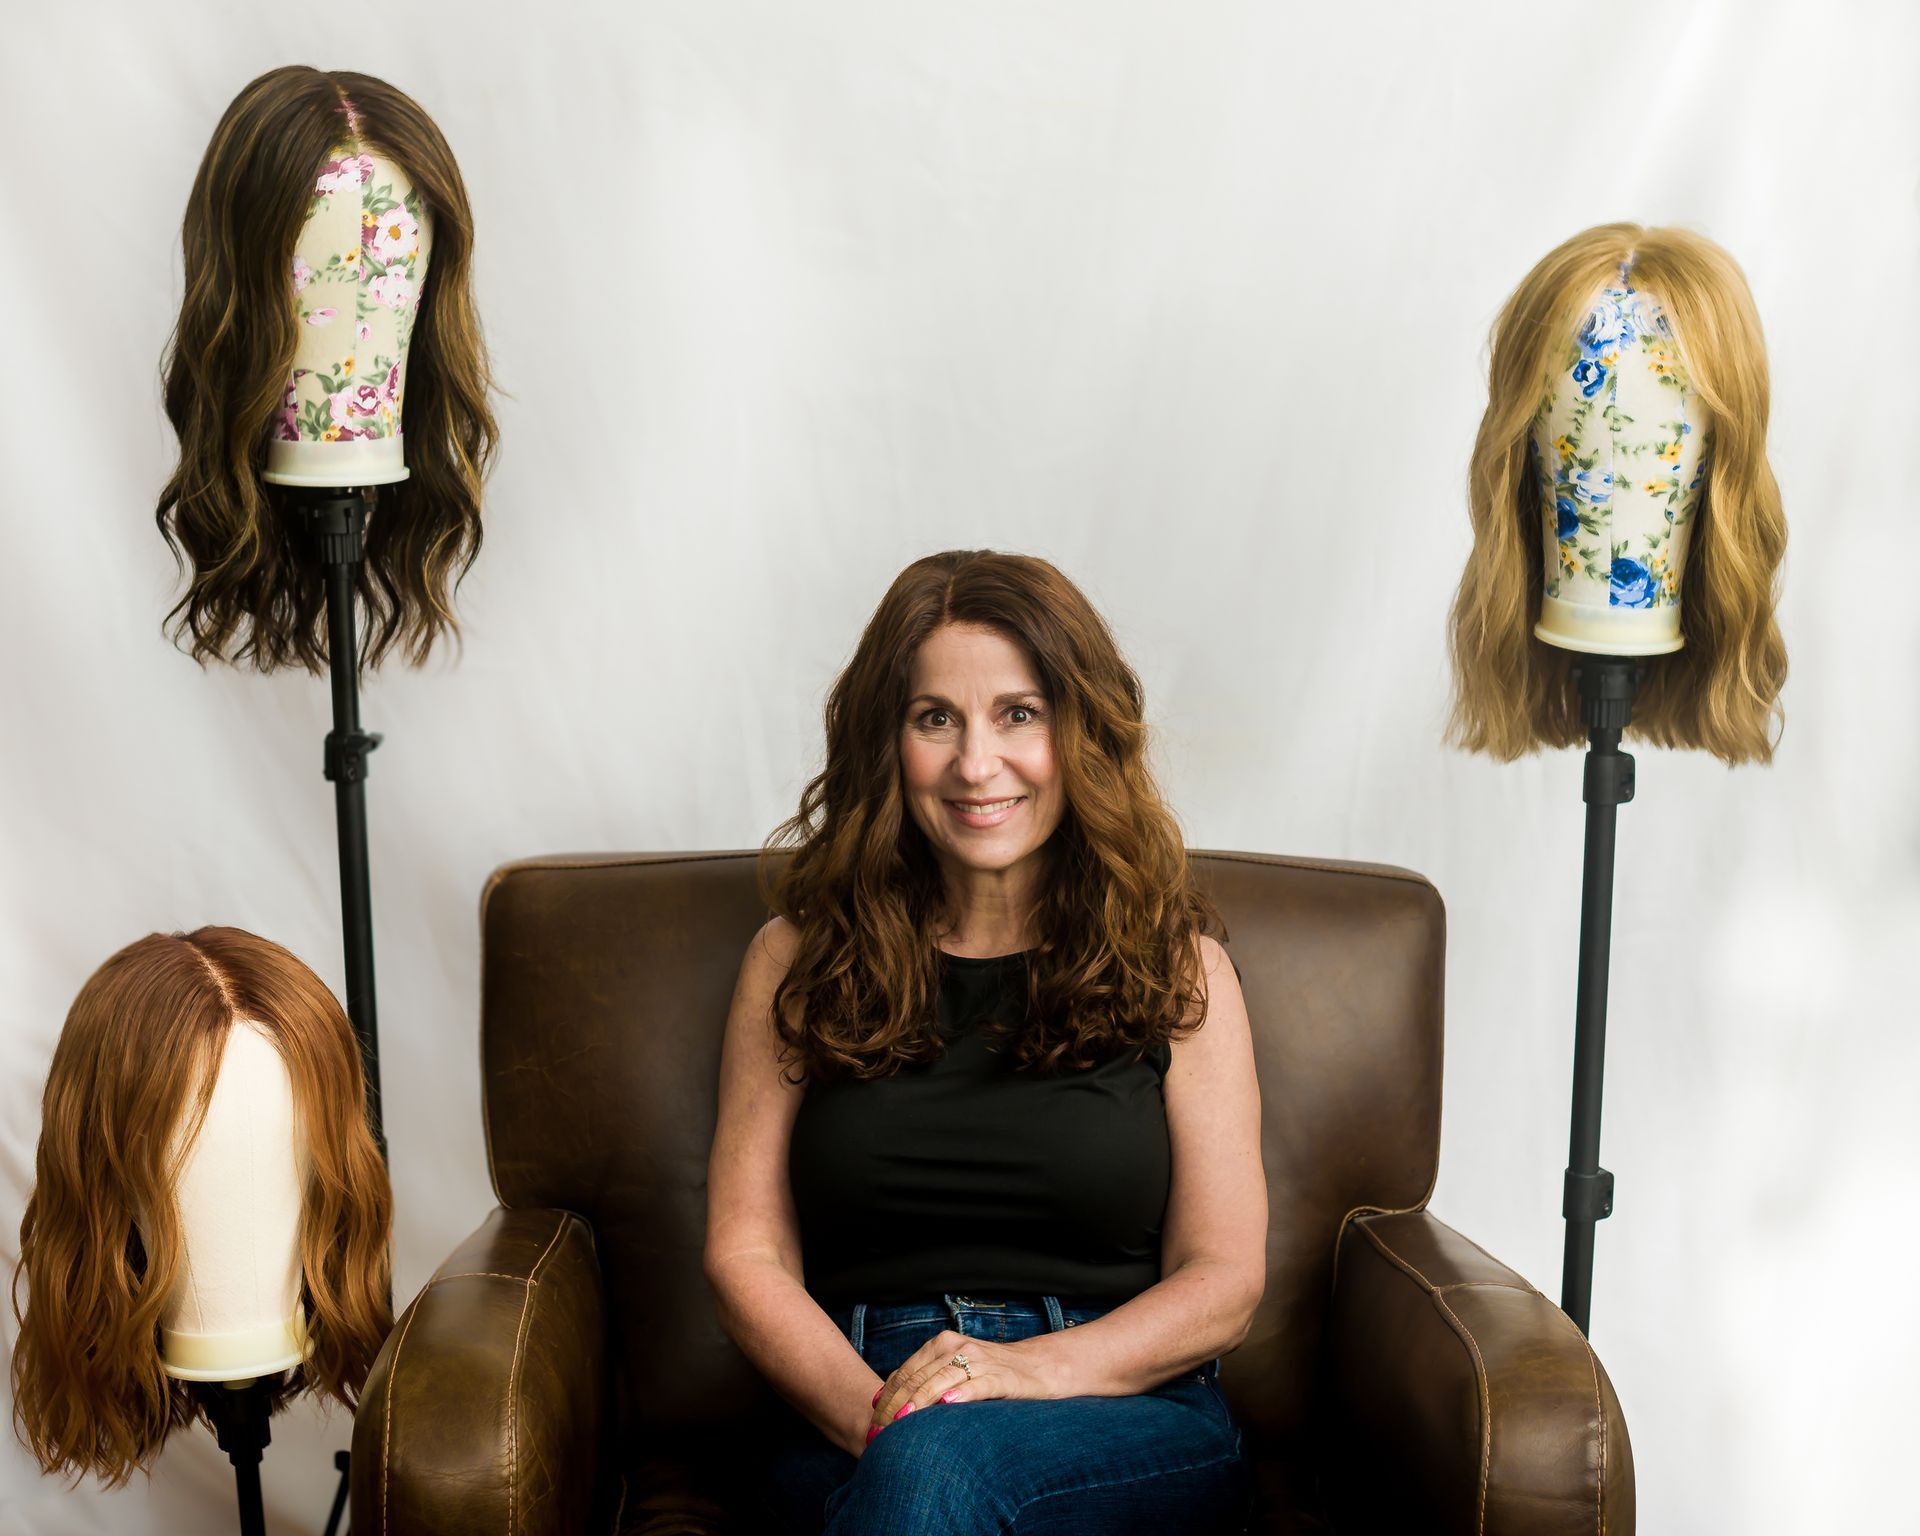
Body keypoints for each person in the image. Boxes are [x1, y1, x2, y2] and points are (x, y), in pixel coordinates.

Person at [704, 550, 1264, 1533]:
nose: (975, 763)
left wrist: (1020, 1372)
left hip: (1118, 1410)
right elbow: (745, 1252)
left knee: (937, 1476)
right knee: (926, 1477)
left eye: (1018, 713)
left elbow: (1224, 1281)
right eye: (936, 720)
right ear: (890, 741)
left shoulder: (1176, 969)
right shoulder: (796, 960)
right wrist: (883, 1418)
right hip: (852, 1402)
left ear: (1078, 730)